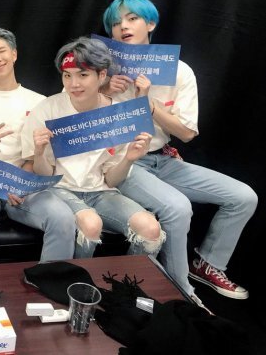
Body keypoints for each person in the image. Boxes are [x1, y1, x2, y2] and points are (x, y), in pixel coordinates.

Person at [101, 0, 257, 299]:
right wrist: (103, 90)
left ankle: (207, 264)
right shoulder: (102, 69)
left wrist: (149, 104)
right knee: (177, 207)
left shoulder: (180, 71)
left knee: (243, 197)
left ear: (150, 24)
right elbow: (75, 120)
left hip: (163, 159)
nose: (123, 26)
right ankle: (181, 292)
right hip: (122, 162)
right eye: (116, 23)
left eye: (132, 18)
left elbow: (186, 133)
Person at [21, 36, 165, 259]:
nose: (74, 84)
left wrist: (129, 158)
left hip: (100, 192)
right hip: (58, 188)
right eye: (67, 75)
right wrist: (39, 153)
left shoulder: (118, 115)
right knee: (91, 224)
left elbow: (111, 180)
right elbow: (44, 175)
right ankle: (76, 278)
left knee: (151, 229)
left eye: (83, 75)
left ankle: (129, 278)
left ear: (102, 75)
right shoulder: (47, 109)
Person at [0, 25, 76, 265]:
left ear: (14, 54)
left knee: (63, 218)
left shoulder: (39, 102)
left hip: (23, 182)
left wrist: (19, 181)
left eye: (1, 51)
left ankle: (50, 280)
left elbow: (38, 157)